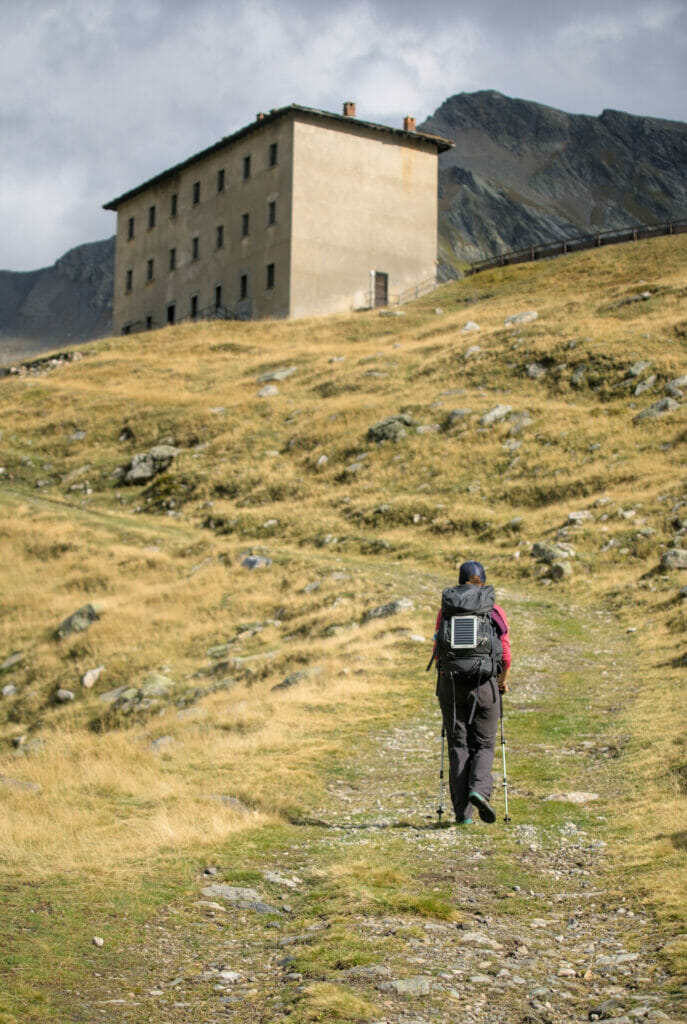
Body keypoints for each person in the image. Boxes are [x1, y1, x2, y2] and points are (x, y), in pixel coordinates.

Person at [433, 560, 511, 825]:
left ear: (460, 580)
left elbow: (437, 649)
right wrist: (502, 681)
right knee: (485, 744)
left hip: (451, 684)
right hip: (484, 683)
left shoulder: (447, 611)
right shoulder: (493, 609)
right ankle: (479, 789)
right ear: (483, 580)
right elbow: (507, 655)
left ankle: (462, 816)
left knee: (458, 746)